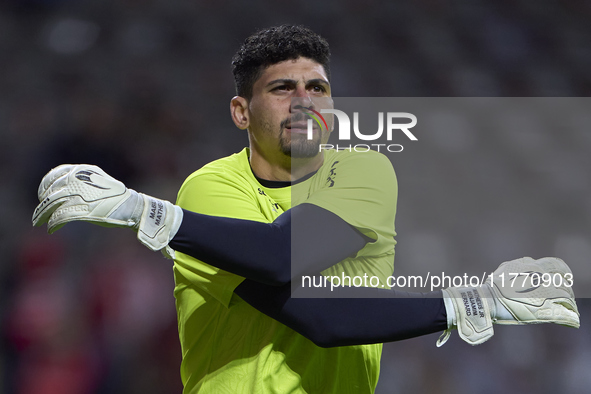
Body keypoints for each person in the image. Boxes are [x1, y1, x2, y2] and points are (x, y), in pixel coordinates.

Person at [32, 25, 579, 394]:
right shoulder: (208, 189)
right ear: (241, 112)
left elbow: (306, 284)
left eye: (317, 87)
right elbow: (312, 307)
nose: (305, 102)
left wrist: (138, 212)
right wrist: (473, 304)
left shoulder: (363, 173)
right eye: (282, 89)